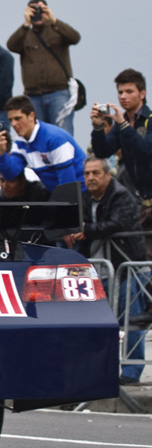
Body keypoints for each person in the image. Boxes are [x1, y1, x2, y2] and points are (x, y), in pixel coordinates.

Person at [66, 157, 146, 384]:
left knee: (130, 320)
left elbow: (117, 224)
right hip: (94, 270)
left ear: (107, 175)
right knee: (94, 322)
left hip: (123, 267)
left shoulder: (121, 196)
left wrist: (87, 230)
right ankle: (96, 369)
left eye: (95, 173)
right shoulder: (84, 199)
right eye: (87, 173)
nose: (90, 178)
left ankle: (131, 372)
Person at [6, 0, 81, 135]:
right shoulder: (25, 34)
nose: (37, 13)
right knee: (37, 135)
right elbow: (11, 45)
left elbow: (75, 37)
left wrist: (53, 20)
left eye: (40, 9)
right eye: (33, 10)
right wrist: (26, 24)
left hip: (59, 93)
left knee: (62, 134)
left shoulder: (57, 30)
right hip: (33, 96)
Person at [90, 69, 152, 216]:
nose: (123, 96)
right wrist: (98, 127)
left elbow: (145, 151)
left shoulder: (149, 120)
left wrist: (124, 124)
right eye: (120, 92)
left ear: (142, 94)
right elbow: (102, 152)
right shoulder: (120, 125)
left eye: (129, 91)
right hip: (142, 200)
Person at [0, 95, 85, 191]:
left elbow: (67, 184)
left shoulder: (55, 139)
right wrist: (1, 153)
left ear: (31, 116)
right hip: (61, 193)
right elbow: (10, 174)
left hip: (83, 192)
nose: (13, 124)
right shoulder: (20, 142)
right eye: (10, 120)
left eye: (18, 118)